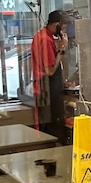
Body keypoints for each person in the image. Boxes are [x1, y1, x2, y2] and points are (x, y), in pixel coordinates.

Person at [32, 10, 69, 143]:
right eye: (63, 27)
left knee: (46, 126)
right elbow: (50, 71)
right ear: (57, 25)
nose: (64, 31)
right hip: (46, 89)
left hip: (43, 88)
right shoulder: (46, 40)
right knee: (51, 128)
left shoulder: (40, 35)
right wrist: (62, 49)